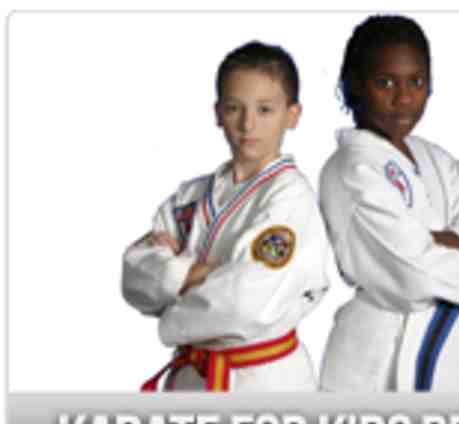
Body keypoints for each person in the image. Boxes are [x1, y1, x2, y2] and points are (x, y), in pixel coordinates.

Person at [319, 15, 459, 392]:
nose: (404, 97)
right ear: (354, 83)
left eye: (417, 81)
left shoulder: (437, 160)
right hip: (376, 359)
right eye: (385, 82)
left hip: (448, 343)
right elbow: (413, 275)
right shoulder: (351, 169)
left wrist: (429, 243)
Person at [122, 41, 329, 392]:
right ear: (218, 113)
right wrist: (201, 273)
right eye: (234, 108)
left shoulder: (291, 199)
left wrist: (172, 278)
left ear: (292, 115)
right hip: (189, 377)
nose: (248, 123)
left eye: (265, 110)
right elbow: (133, 276)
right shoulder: (190, 196)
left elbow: (246, 302)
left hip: (263, 381)